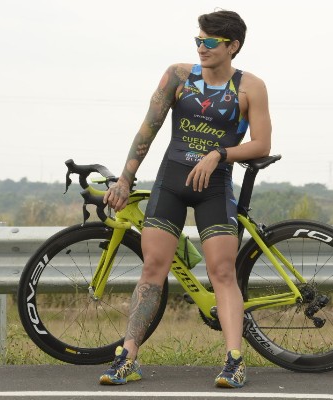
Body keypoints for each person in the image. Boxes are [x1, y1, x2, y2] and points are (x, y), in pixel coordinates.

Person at [100, 9, 272, 389]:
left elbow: (262, 143)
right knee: (152, 268)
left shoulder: (250, 87)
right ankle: (128, 356)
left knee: (222, 273)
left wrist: (219, 154)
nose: (201, 47)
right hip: (172, 182)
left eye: (210, 41)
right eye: (198, 40)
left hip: (215, 186)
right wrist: (125, 179)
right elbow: (148, 129)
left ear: (233, 46)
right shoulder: (177, 76)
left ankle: (234, 361)